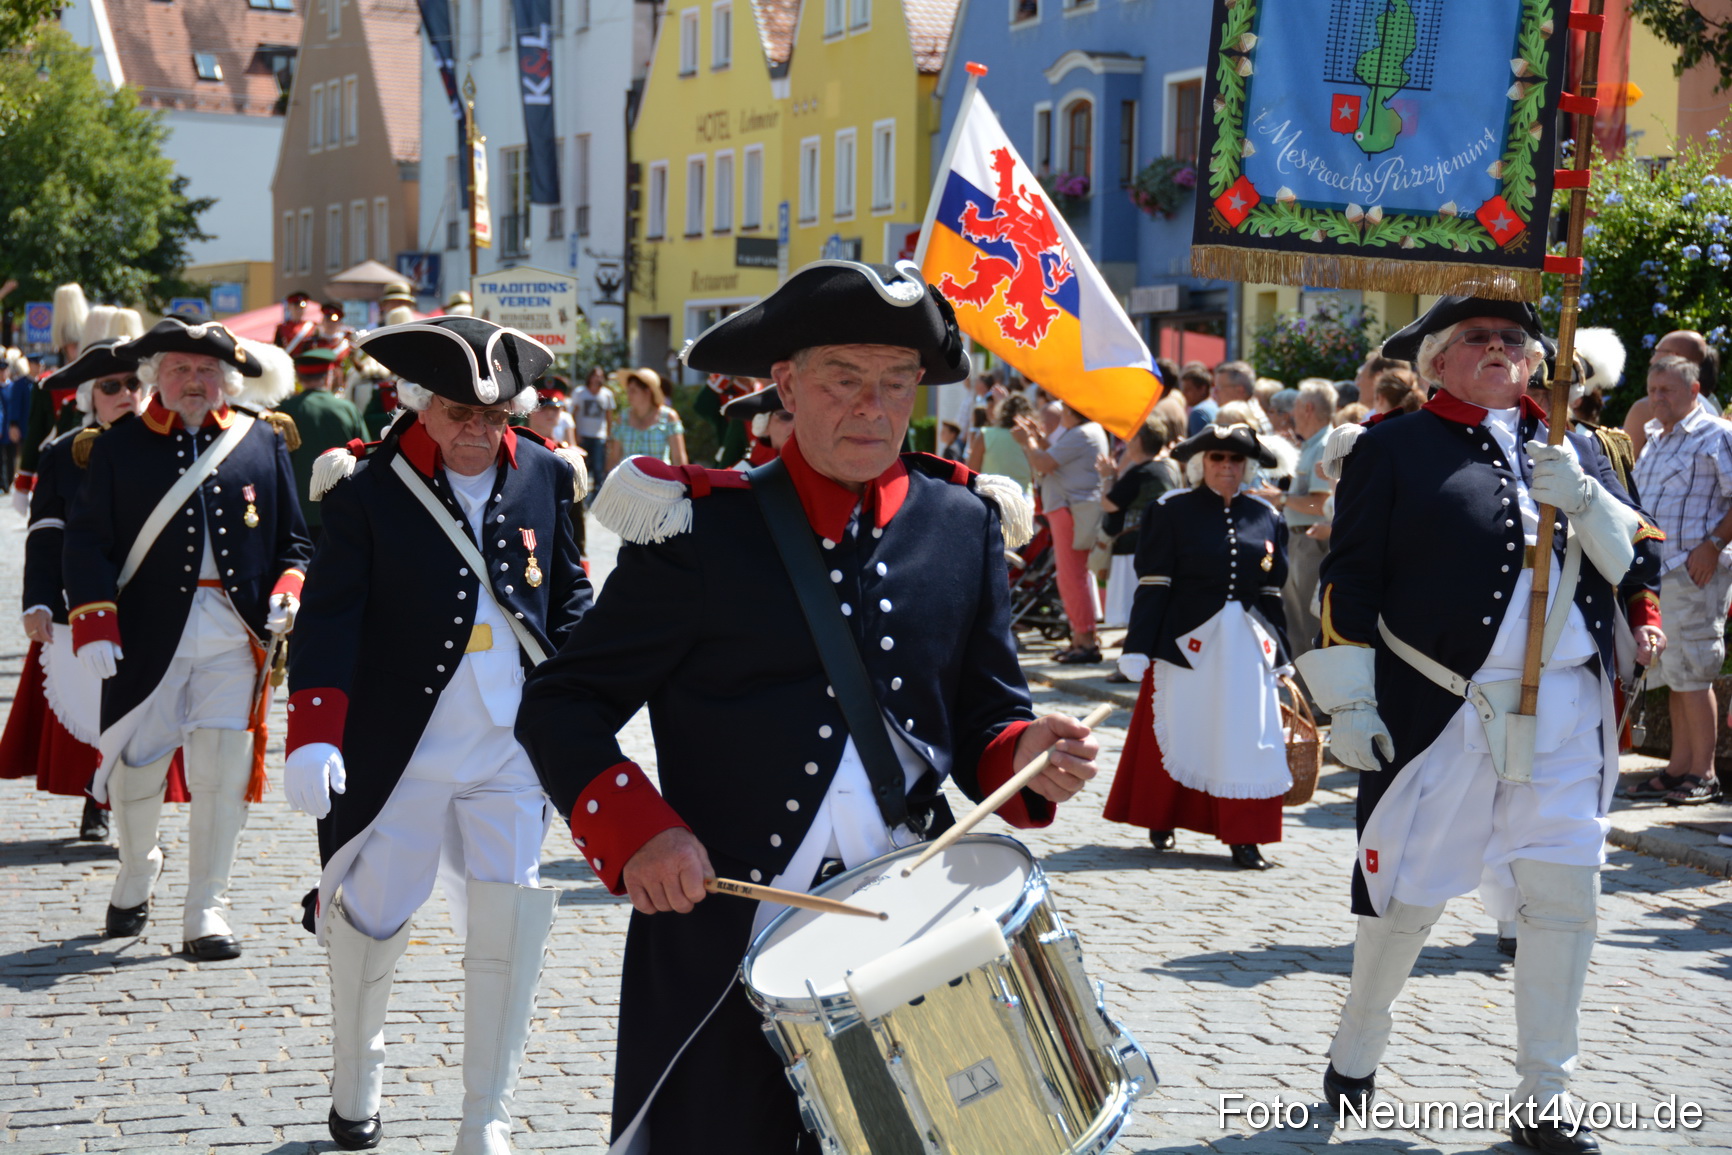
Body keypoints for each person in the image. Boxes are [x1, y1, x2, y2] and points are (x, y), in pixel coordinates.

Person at [515, 258, 1101, 1155]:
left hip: (914, 920)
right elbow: (561, 702)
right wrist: (640, 831)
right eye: (845, 379)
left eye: (897, 383)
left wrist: (1029, 749)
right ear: (785, 383)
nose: (874, 405)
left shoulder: (963, 521)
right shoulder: (699, 530)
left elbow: (986, 714)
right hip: (729, 921)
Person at [1295, 296, 1666, 1155]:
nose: (1498, 349)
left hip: (1567, 710)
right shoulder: (1391, 447)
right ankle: (1358, 1046)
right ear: (1436, 362)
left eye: (1513, 341)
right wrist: (1350, 699)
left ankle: (1546, 1094)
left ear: (1536, 363)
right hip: (1442, 705)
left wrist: (1585, 500)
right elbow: (1348, 580)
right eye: (1476, 339)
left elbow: (1635, 563)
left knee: (1564, 898)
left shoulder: (1578, 446)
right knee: (1407, 897)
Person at [284, 316, 591, 1152]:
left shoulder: (547, 478)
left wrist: (590, 701)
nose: (480, 432)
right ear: (419, 403)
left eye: (496, 415)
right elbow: (330, 617)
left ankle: (485, 1114)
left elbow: (566, 601)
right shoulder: (365, 489)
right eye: (461, 412)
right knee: (375, 913)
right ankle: (358, 1075)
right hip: (403, 743)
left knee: (507, 913)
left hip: (510, 746)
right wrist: (314, 729)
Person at [63, 317, 312, 961]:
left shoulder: (262, 442)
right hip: (146, 636)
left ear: (226, 378)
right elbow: (85, 540)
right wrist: (93, 616)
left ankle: (207, 906)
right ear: (156, 378)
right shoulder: (117, 446)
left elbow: (296, 543)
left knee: (224, 770)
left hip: (235, 634)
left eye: (205, 371)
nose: (193, 381)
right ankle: (138, 869)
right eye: (179, 369)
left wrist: (290, 589)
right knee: (137, 764)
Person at [1107, 424, 1293, 868]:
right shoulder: (1170, 511)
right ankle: (1163, 815)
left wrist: (1282, 653)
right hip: (1184, 644)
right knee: (1180, 726)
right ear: (1199, 464)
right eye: (1217, 459)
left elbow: (1271, 593)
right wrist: (1138, 646)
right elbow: (1154, 583)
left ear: (1247, 466)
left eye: (1234, 460)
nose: (1226, 467)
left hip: (1247, 647)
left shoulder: (1267, 517)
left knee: (1249, 738)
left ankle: (1245, 837)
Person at [0, 339, 160, 840]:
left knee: (148, 719)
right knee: (94, 709)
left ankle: (137, 811)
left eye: (133, 383)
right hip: (84, 603)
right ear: (91, 395)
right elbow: (46, 531)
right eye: (111, 386)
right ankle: (98, 802)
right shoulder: (64, 451)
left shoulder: (169, 445)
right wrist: (38, 600)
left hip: (154, 602)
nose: (125, 393)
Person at [1624, 354, 1732, 807]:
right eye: (1652, 390)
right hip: (1660, 573)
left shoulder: (1717, 434)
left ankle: (1703, 773)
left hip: (1694, 569)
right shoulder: (1653, 437)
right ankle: (1677, 769)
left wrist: (1711, 545)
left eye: (1666, 390)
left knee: (1695, 673)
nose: (1656, 399)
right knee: (1673, 672)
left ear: (1694, 391)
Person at [1022, 402, 1110, 663]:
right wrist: (1037, 440)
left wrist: (1028, 442)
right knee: (1073, 578)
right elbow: (1055, 457)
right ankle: (1081, 638)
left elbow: (1043, 462)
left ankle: (1084, 641)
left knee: (1072, 579)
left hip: (1069, 510)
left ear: (1071, 413)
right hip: (1071, 508)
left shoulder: (1083, 432)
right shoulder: (1089, 431)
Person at [1098, 408, 1184, 637]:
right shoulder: (1167, 467)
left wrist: (1107, 476)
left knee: (1134, 610)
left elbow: (1108, 504)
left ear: (1140, 440)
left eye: (1131, 437)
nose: (1126, 442)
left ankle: (1131, 665)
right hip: (1155, 547)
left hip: (1133, 549)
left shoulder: (1143, 472)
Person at [279, 346, 367, 543]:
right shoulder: (347, 409)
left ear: (299, 378)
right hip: (344, 507)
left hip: (296, 511)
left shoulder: (284, 410)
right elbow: (366, 455)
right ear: (329, 376)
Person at [1280, 381, 1336, 659]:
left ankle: (1312, 700)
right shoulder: (1312, 445)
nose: (1291, 412)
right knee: (1297, 623)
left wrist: (1279, 499)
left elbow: (1321, 504)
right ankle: (1303, 697)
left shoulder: (1324, 445)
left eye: (1295, 405)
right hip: (1301, 540)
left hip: (1310, 543)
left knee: (1308, 623)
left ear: (1308, 408)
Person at [1623, 329, 1721, 457]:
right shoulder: (1710, 408)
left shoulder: (1646, 408)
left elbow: (1623, 466)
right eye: (1652, 390)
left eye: (1656, 351)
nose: (1651, 360)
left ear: (1673, 356)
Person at [607, 368, 686, 472]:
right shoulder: (623, 418)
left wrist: (683, 484)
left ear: (647, 392)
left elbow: (678, 457)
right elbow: (614, 457)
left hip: (660, 482)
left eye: (633, 391)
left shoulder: (668, 417)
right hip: (629, 483)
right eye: (628, 391)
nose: (629, 395)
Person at [967, 391, 1036, 497]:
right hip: (1022, 498)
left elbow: (972, 472)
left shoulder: (985, 434)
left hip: (991, 497)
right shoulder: (1030, 438)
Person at [718, 382, 793, 467]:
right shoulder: (741, 475)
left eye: (806, 417)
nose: (796, 425)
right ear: (765, 425)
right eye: (786, 417)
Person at [572, 367, 616, 490]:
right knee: (581, 468)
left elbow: (609, 417)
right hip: (583, 435)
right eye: (596, 375)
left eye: (600, 376)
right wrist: (575, 434)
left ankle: (596, 497)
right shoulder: (580, 392)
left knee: (598, 469)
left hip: (599, 436)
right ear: (590, 377)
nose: (598, 378)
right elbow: (573, 414)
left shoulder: (607, 394)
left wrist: (608, 436)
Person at [1213, 360, 1275, 434]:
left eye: (1219, 387)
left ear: (1240, 391)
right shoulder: (1255, 412)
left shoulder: (1238, 419)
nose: (1215, 392)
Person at [1179, 362, 1219, 435]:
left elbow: (1198, 446)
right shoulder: (1216, 406)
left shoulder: (1198, 413)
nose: (1183, 394)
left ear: (1202, 389)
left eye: (1188, 389)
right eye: (1183, 390)